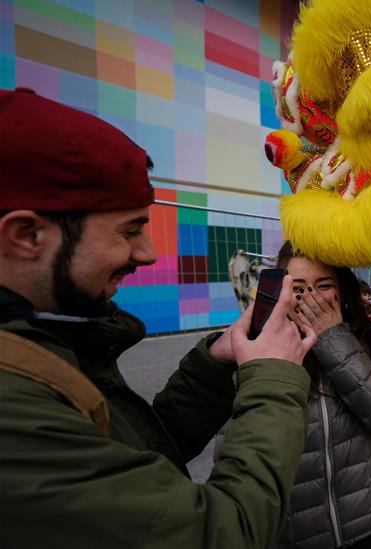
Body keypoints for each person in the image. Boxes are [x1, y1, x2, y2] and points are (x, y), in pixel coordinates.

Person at [0, 88, 317, 548]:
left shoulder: (41, 338)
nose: (147, 253)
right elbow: (220, 535)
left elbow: (133, 456)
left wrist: (214, 364)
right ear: (26, 234)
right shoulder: (13, 406)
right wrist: (274, 376)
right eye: (129, 230)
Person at [274, 241, 371, 549]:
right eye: (297, 288)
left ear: (341, 290)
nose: (310, 298)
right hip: (295, 533)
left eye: (323, 286)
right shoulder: (259, 346)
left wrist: (332, 338)